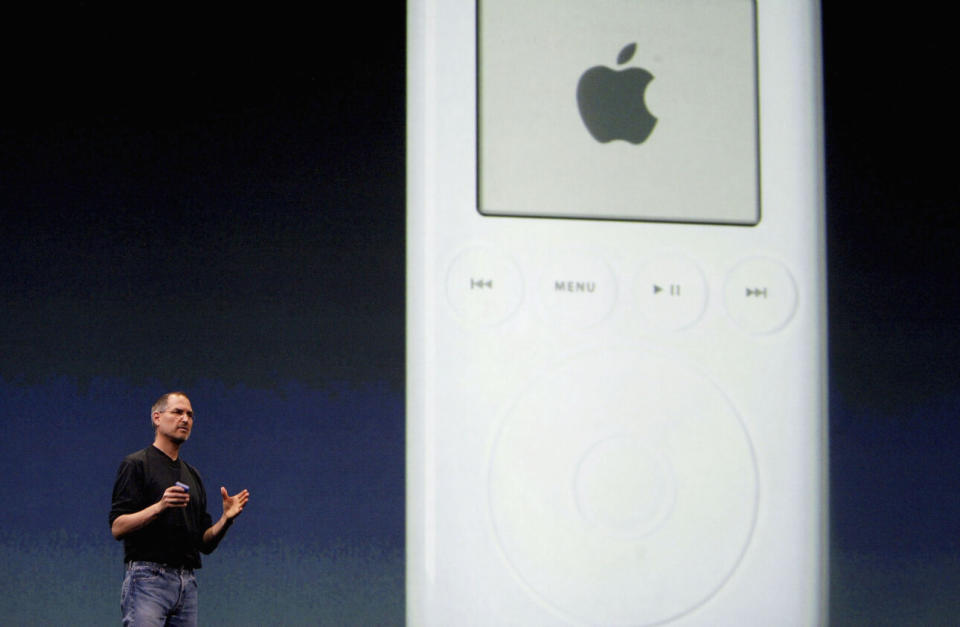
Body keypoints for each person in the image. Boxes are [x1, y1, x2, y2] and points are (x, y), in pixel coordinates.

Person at [110, 392, 250, 626]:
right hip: (148, 580)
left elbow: (204, 543)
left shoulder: (192, 475)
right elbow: (117, 527)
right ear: (157, 417)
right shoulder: (137, 464)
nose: (185, 419)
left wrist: (226, 519)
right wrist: (160, 506)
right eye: (177, 412)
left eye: (190, 415)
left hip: (186, 584)